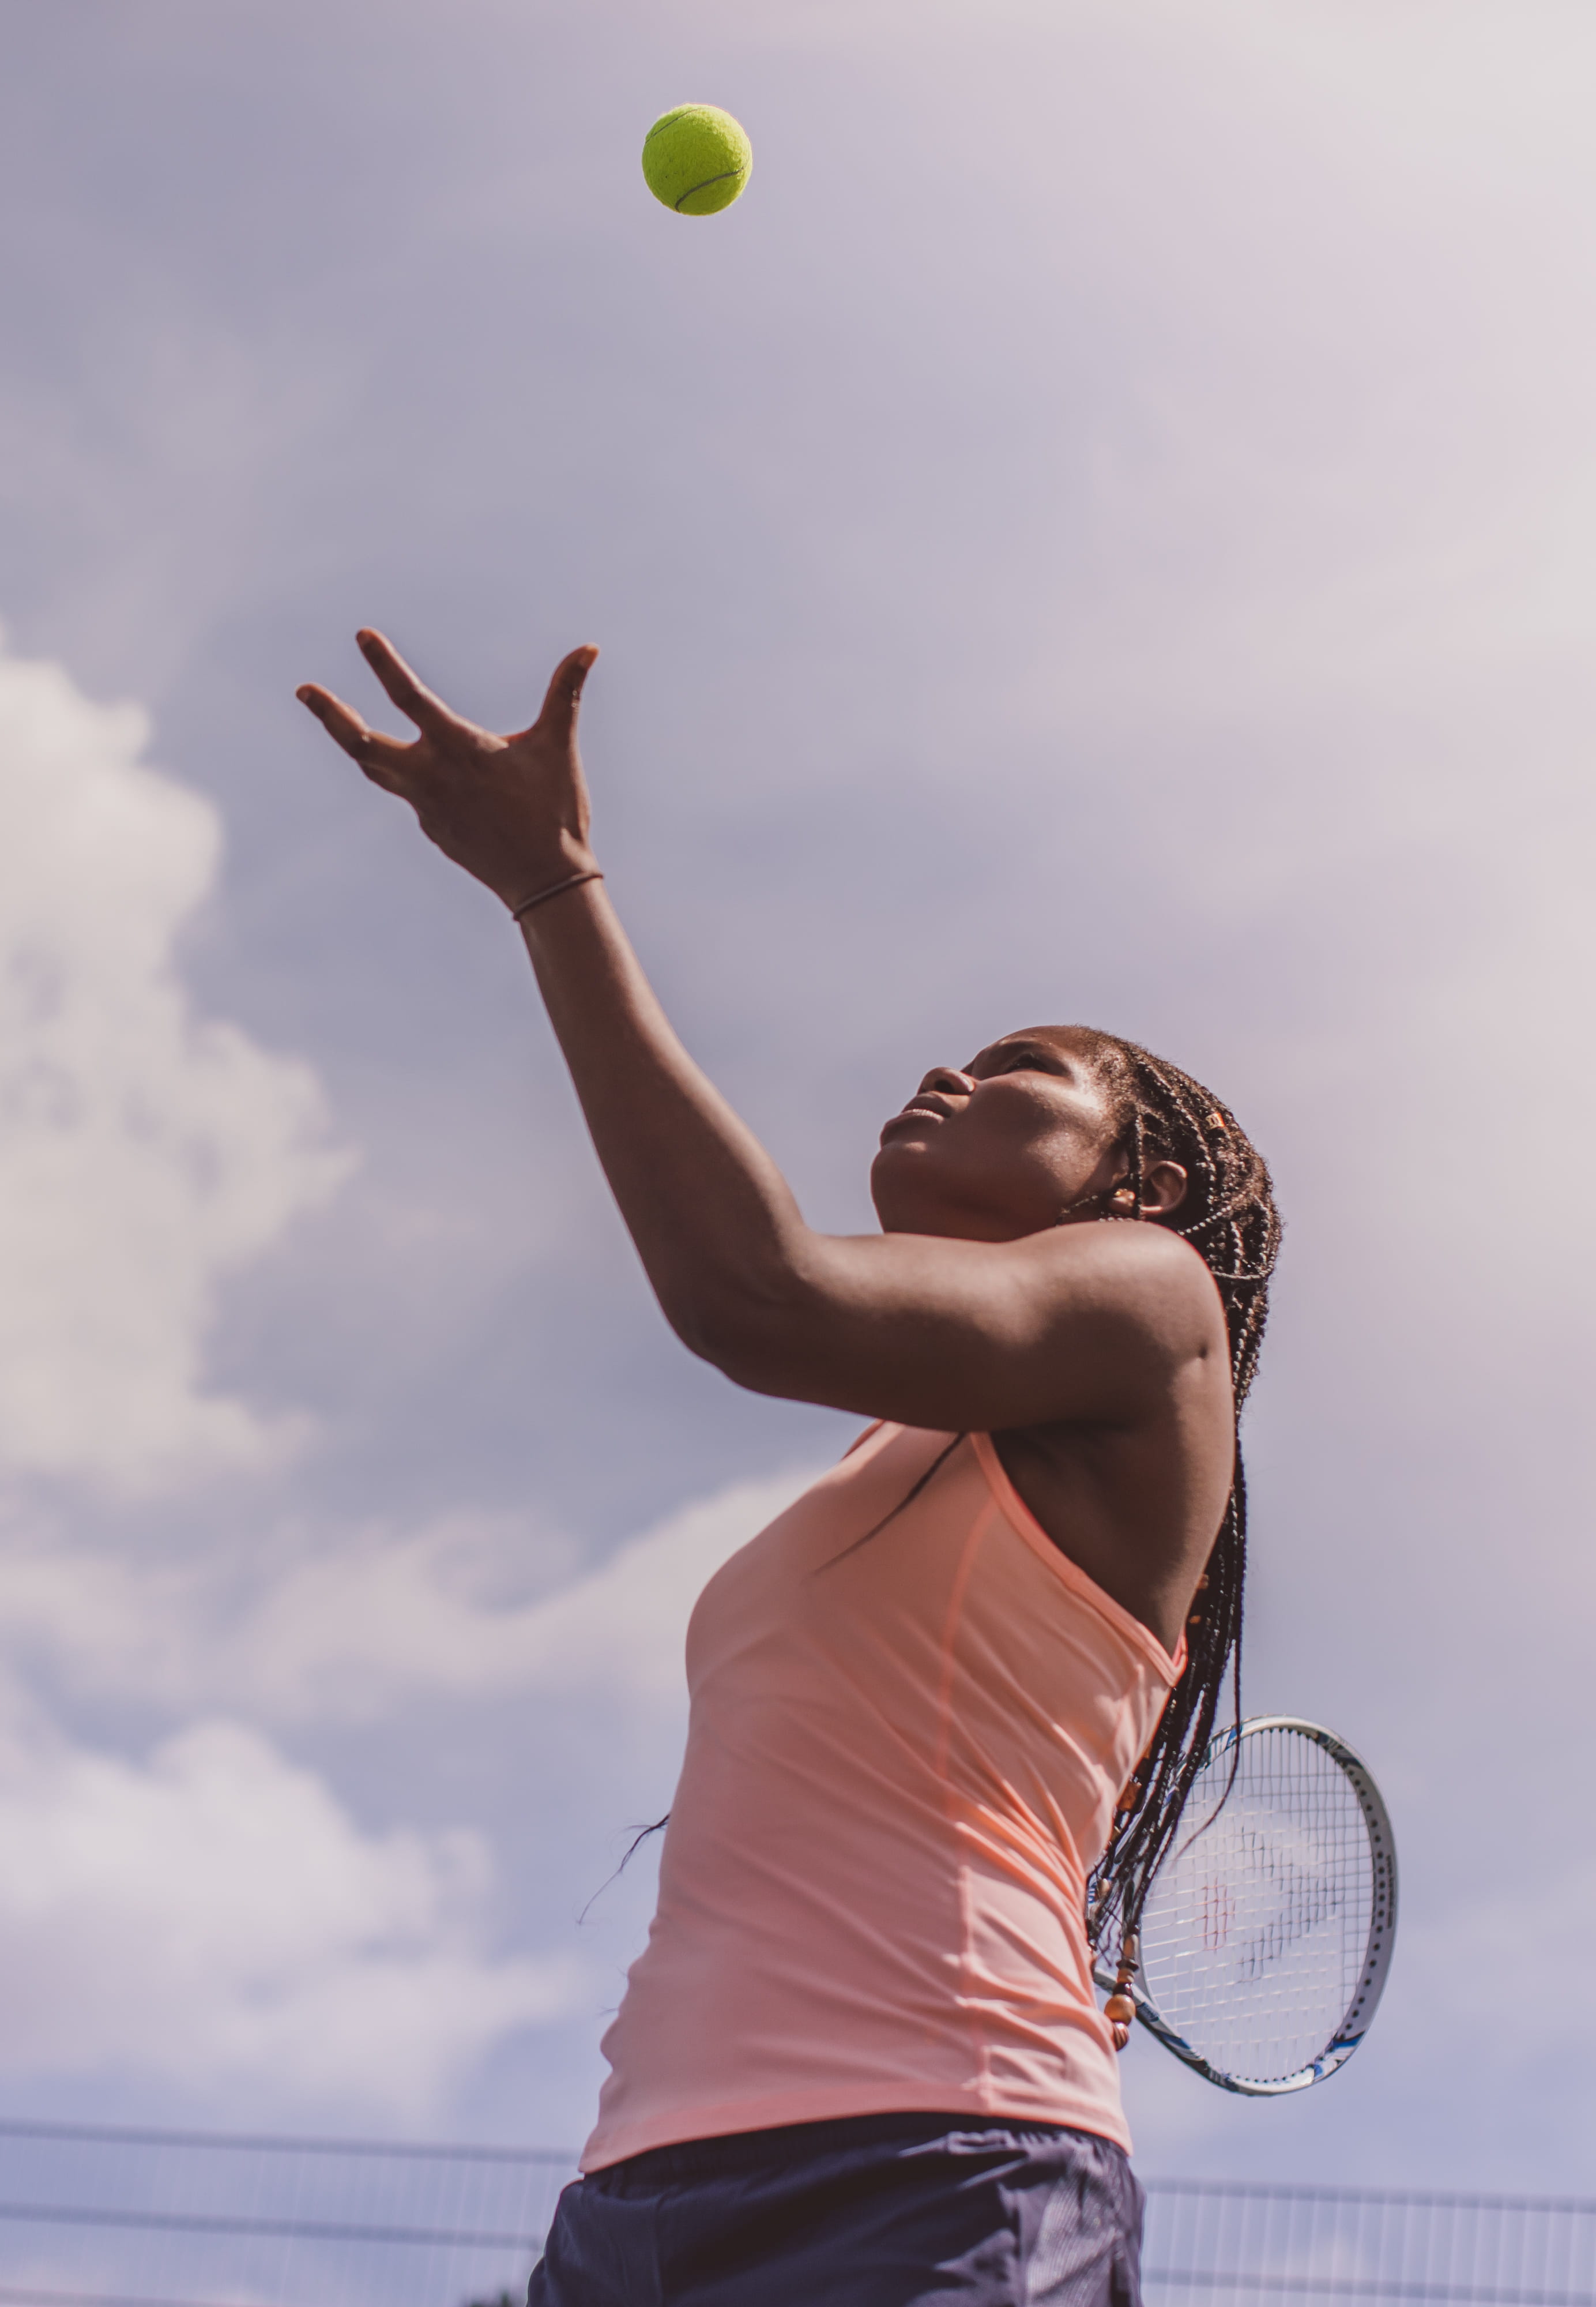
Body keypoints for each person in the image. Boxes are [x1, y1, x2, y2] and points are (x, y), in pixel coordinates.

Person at [299, 632, 1282, 2307]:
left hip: (930, 2164)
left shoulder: (1154, 1308)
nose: (945, 1074)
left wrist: (550, 886)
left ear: (1145, 1189)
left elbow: (752, 1292)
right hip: (638, 2193)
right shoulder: (903, 1456)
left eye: (1020, 1072)